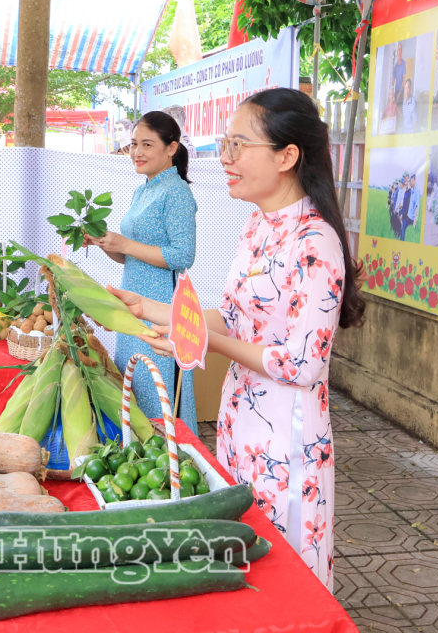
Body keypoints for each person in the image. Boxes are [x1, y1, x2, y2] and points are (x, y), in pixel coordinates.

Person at [109, 88, 364, 591]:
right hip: (239, 419)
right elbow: (229, 315)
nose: (225, 159)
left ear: (287, 156)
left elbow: (301, 365)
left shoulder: (316, 242)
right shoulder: (257, 226)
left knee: (286, 575)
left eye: (238, 146)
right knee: (244, 561)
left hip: (286, 439)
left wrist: (205, 342)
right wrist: (150, 309)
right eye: (224, 144)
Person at [85, 111, 199, 433]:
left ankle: (170, 467)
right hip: (133, 307)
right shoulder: (143, 189)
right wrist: (107, 244)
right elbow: (132, 258)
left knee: (157, 394)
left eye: (147, 144)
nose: (137, 152)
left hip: (160, 307)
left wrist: (126, 244)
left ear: (172, 148)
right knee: (135, 390)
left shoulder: (176, 192)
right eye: (134, 144)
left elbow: (182, 256)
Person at [400, 173, 420, 242]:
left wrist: (414, 222)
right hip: (408, 217)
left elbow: (417, 207)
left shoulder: (417, 191)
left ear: (413, 179)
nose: (409, 182)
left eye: (410, 180)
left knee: (407, 235)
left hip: (411, 219)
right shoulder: (412, 191)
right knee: (403, 231)